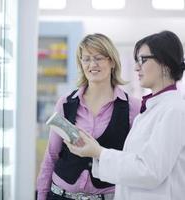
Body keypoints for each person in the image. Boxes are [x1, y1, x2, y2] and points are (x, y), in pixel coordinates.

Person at [65, 30, 185, 200]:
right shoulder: (153, 109)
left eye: (143, 60)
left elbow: (149, 171)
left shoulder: (174, 111)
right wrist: (96, 152)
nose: (136, 67)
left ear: (164, 63)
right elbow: (135, 161)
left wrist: (99, 152)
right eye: (137, 61)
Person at [36, 33, 141, 200]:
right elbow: (51, 155)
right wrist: (41, 195)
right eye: (86, 59)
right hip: (59, 195)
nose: (92, 64)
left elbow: (134, 161)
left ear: (112, 61)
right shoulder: (65, 103)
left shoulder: (132, 107)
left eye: (99, 58)